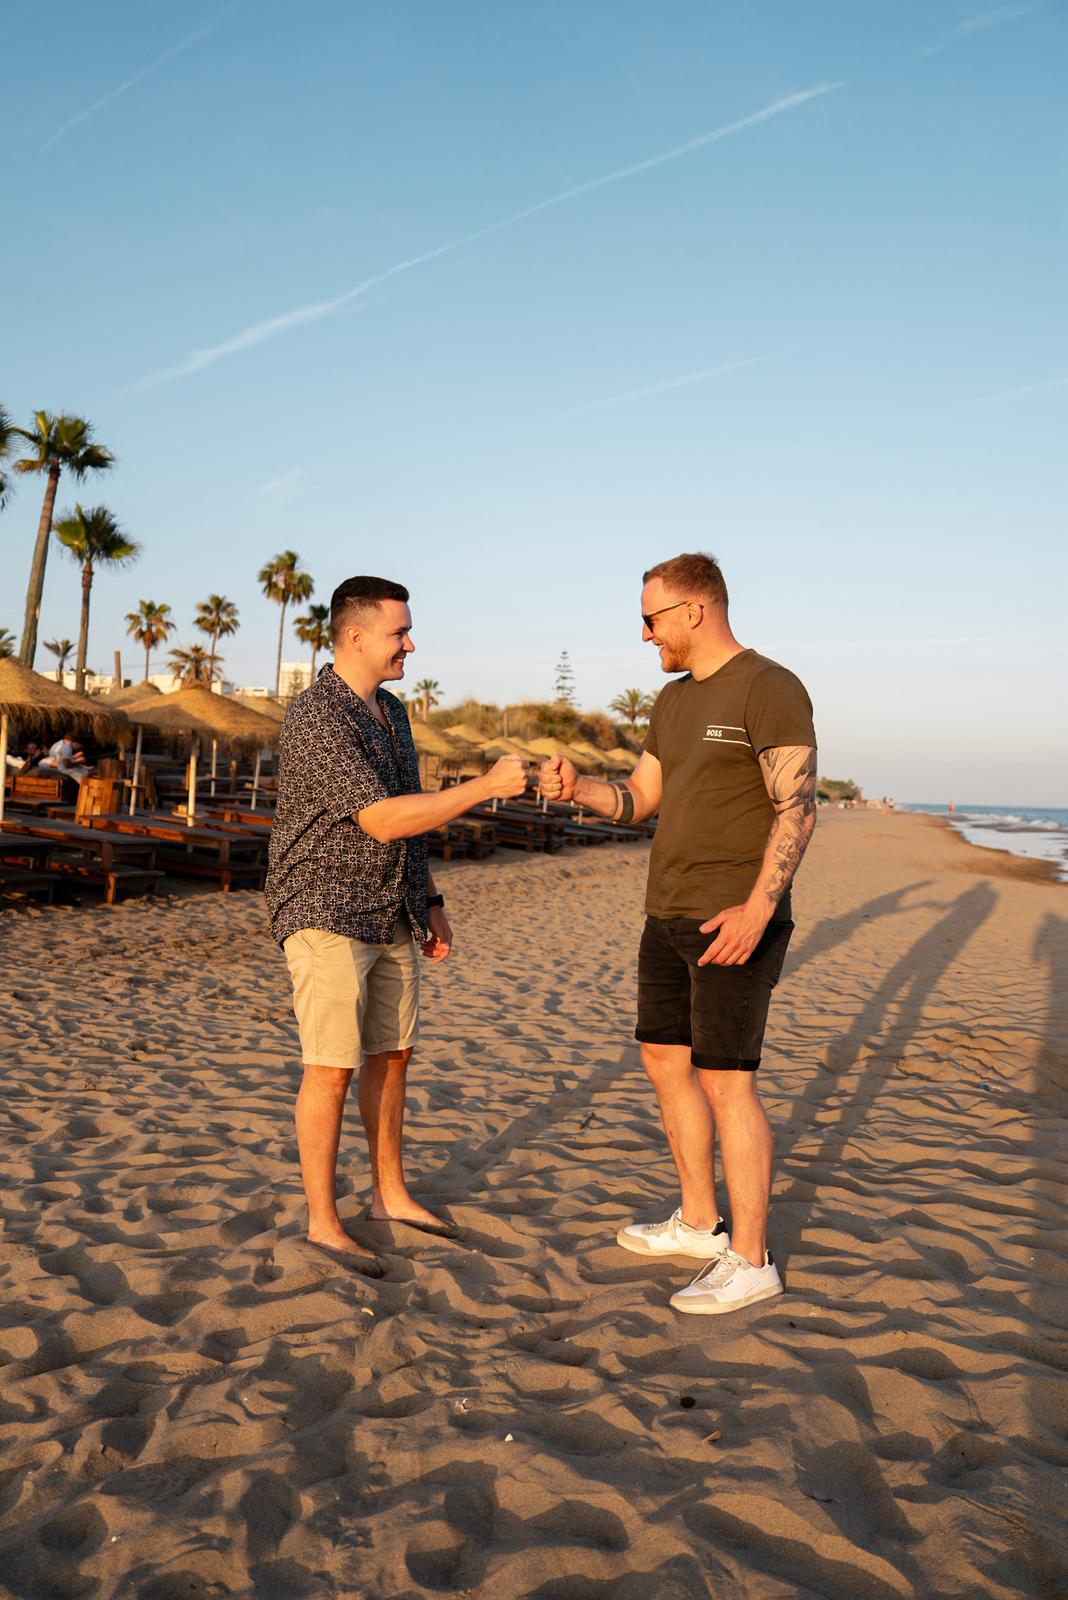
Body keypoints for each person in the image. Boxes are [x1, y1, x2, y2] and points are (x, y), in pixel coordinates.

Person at [540, 552, 817, 1316]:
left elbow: (797, 807)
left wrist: (762, 907)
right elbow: (639, 801)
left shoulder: (770, 686)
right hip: (666, 912)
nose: (643, 633)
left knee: (729, 1081)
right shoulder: (671, 702)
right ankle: (699, 1223)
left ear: (695, 610)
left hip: (735, 916)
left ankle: (752, 1260)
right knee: (664, 1060)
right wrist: (578, 791)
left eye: (650, 617)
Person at [264, 575, 529, 1277]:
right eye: (399, 632)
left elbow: (407, 816)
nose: (410, 643)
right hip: (323, 907)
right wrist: (482, 788)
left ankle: (389, 1195)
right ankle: (324, 1222)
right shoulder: (318, 715)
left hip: (388, 910)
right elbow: (379, 817)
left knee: (393, 1054)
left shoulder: (393, 712)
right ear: (355, 636)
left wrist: (429, 899)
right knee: (331, 1067)